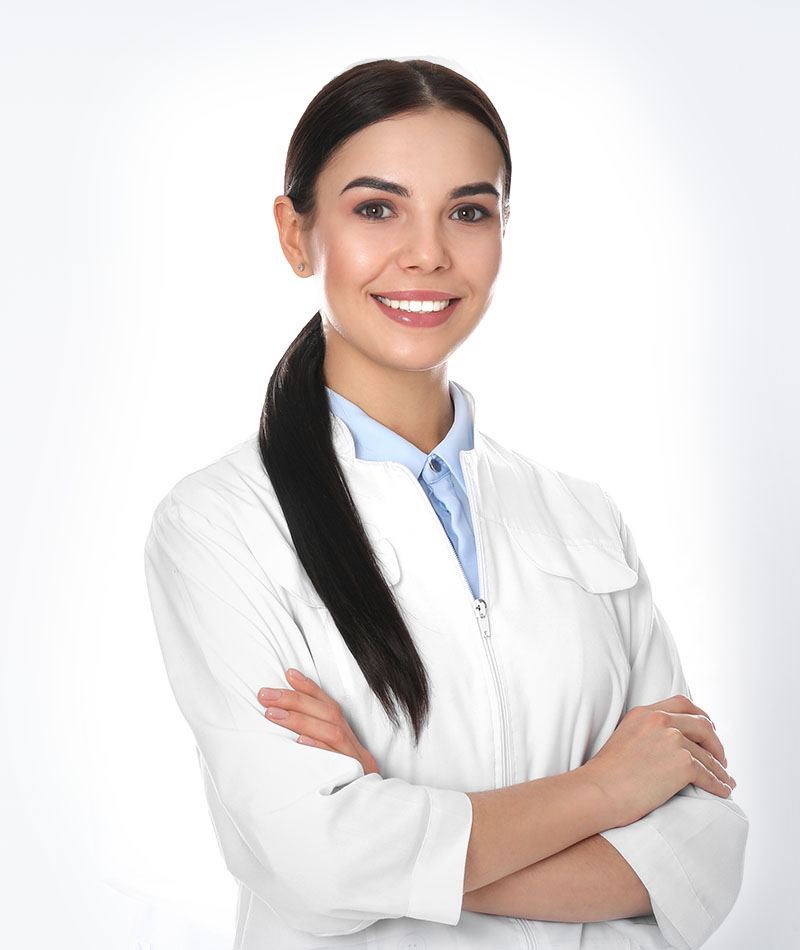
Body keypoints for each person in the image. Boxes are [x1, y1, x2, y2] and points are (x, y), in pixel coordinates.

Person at [143, 58, 748, 950]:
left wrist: (406, 830)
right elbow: (316, 863)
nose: (427, 252)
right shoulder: (221, 525)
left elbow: (704, 853)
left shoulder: (582, 515)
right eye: (376, 208)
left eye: (469, 211)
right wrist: (608, 791)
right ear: (296, 234)